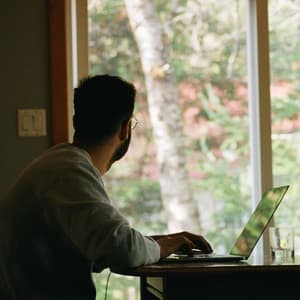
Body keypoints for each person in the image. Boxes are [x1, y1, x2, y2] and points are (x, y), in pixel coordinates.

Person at [0, 74, 212, 300]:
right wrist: (162, 247)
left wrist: (159, 243)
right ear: (125, 129)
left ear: (76, 120)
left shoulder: (60, 164)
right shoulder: (68, 170)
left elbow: (104, 243)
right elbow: (122, 250)